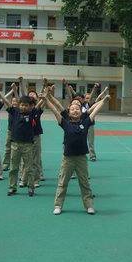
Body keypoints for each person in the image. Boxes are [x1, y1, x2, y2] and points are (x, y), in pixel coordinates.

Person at [44, 87, 110, 215]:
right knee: (62, 182)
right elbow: (55, 110)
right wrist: (46, 100)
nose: (75, 110)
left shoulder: (85, 122)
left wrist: (104, 101)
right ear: (69, 112)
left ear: (81, 111)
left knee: (84, 183)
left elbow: (95, 111)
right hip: (68, 158)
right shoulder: (65, 123)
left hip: (81, 159)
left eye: (77, 109)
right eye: (72, 109)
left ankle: (89, 205)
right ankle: (58, 205)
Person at [0, 84, 45, 197]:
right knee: (14, 168)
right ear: (19, 105)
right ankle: (12, 187)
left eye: (26, 105)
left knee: (29, 168)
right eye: (22, 105)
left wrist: (44, 97)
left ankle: (31, 187)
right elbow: (6, 102)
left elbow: (39, 105)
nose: (23, 107)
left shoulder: (33, 113)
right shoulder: (15, 112)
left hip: (28, 145)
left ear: (30, 106)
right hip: (15, 145)